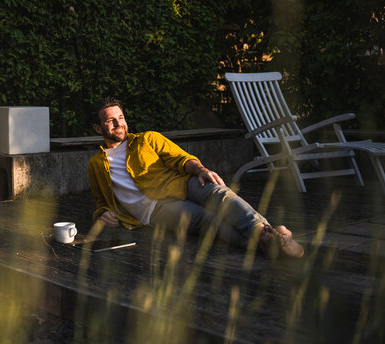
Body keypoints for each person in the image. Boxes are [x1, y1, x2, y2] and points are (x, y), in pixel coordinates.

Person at [87, 97, 304, 258]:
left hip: (180, 184)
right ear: (98, 127)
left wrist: (200, 169)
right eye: (110, 121)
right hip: (156, 210)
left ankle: (263, 233)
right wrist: (102, 214)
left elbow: (181, 159)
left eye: (121, 117)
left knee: (218, 191)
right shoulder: (96, 164)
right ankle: (273, 240)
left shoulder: (147, 139)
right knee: (208, 220)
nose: (119, 124)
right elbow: (100, 202)